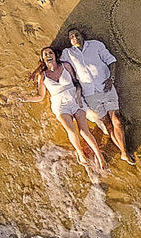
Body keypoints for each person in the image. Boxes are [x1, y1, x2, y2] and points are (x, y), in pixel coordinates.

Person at [16, 46, 105, 175]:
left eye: (50, 52)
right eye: (45, 54)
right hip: (60, 106)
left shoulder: (66, 66)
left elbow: (77, 83)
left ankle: (99, 156)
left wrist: (79, 97)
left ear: (55, 55)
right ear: (43, 59)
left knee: (84, 131)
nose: (48, 55)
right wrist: (27, 99)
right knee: (72, 131)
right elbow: (41, 96)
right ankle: (80, 153)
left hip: (75, 100)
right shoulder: (43, 75)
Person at [61, 28, 135, 165]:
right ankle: (123, 152)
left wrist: (111, 78)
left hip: (106, 87)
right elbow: (55, 64)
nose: (74, 38)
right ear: (70, 41)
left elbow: (111, 60)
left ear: (82, 35)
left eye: (76, 34)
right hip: (89, 94)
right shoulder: (68, 53)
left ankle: (124, 152)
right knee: (108, 124)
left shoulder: (96, 45)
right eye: (71, 37)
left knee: (117, 120)